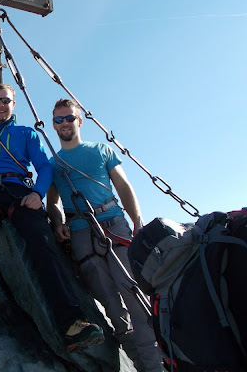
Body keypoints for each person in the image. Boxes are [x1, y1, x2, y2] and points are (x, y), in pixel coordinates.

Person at [0, 84, 104, 365]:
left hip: (19, 190)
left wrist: (37, 193)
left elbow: (44, 167)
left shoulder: (27, 133)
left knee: (42, 243)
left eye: (5, 100)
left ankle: (72, 323)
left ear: (13, 104)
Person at [46, 98, 164, 372]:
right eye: (58, 119)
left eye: (69, 118)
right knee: (111, 305)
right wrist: (57, 221)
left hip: (113, 223)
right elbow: (52, 202)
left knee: (134, 295)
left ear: (79, 120)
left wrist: (137, 222)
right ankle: (141, 364)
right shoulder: (53, 164)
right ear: (53, 124)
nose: (64, 123)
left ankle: (155, 365)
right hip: (79, 232)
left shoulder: (101, 150)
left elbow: (123, 185)